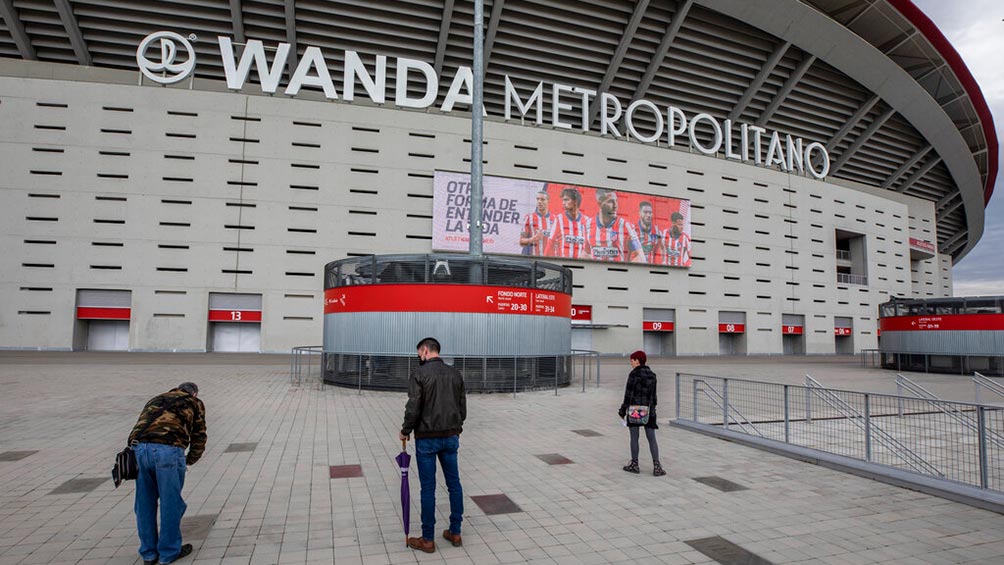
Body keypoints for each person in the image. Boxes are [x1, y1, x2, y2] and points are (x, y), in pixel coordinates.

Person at [399, 338, 467, 553]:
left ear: (425, 350)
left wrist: (405, 430)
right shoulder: (455, 373)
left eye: (420, 352)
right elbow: (462, 407)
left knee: (428, 488)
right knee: (454, 484)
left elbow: (413, 407)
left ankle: (428, 539)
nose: (419, 356)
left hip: (426, 439)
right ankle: (455, 531)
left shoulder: (419, 374)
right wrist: (456, 427)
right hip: (451, 437)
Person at [128, 382, 207, 565]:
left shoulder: (157, 398)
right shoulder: (194, 403)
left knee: (144, 503)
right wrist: (190, 459)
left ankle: (148, 553)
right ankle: (169, 551)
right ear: (193, 393)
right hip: (168, 451)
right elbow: (199, 435)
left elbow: (139, 426)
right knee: (171, 503)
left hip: (139, 450)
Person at [618, 351, 665, 476]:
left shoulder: (633, 375)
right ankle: (657, 466)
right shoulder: (652, 376)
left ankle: (635, 464)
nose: (631, 363)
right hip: (649, 411)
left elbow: (628, 395)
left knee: (634, 438)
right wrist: (653, 410)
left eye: (632, 361)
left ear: (637, 361)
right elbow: (654, 397)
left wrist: (622, 411)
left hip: (635, 411)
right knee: (651, 438)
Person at [587, 189, 646, 263]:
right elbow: (586, 252)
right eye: (610, 201)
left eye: (616, 201)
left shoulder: (626, 226)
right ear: (599, 203)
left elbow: (639, 255)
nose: (615, 206)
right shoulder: (588, 224)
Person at [545, 187, 592, 259]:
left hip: (581, 266)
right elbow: (550, 243)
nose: (563, 203)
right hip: (563, 266)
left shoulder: (586, 220)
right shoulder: (558, 219)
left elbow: (591, 246)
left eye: (566, 200)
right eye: (563, 200)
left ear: (575, 201)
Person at [519, 189, 552, 256]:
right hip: (533, 260)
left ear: (548, 201)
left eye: (542, 199)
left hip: (550, 260)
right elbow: (521, 242)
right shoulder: (529, 218)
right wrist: (532, 239)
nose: (539, 202)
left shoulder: (555, 219)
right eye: (538, 199)